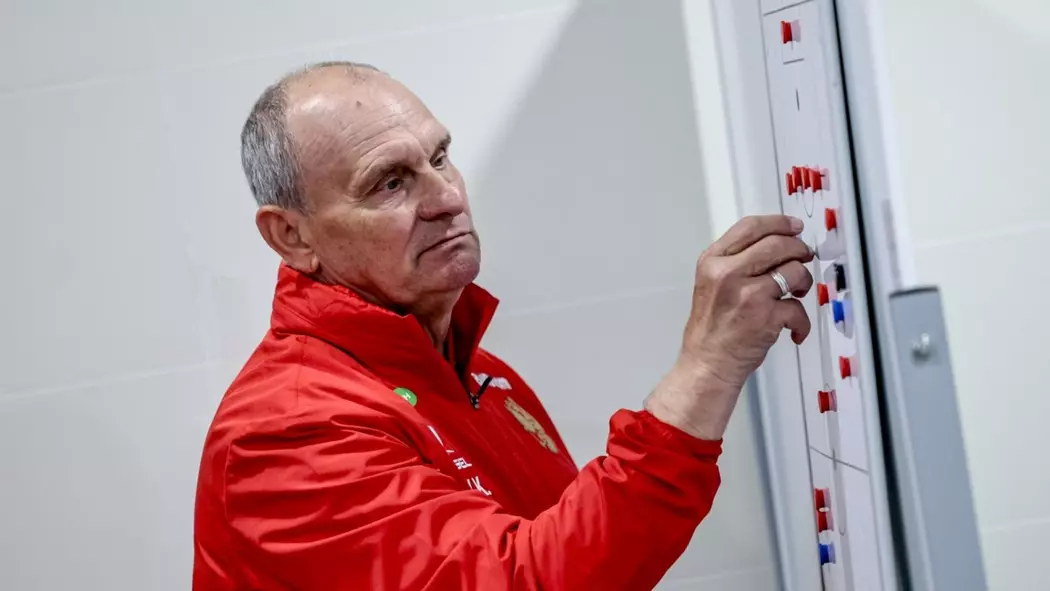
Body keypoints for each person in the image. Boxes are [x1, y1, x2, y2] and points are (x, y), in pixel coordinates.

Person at [193, 61, 814, 590]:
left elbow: (581, 550)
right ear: (292, 236)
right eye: (390, 183)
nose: (447, 198)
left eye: (440, 158)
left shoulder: (477, 373)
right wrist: (707, 369)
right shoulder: (283, 433)